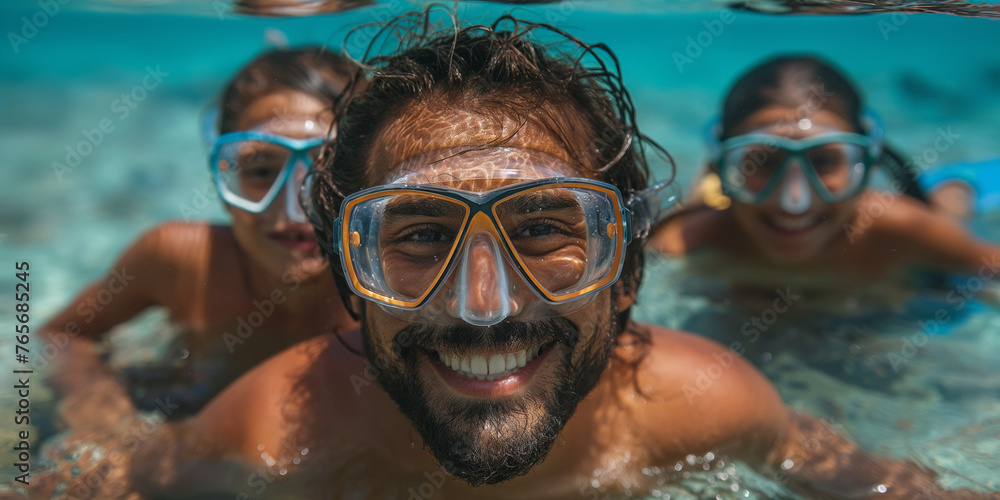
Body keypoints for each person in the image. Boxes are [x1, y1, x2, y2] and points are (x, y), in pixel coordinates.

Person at [35, 13, 996, 500]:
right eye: (419, 234)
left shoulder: (711, 402)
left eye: (544, 229)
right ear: (348, 277)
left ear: (629, 266)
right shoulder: (273, 430)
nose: (485, 304)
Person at [41, 47, 360, 427]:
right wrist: (100, 412)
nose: (296, 211)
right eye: (261, 171)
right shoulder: (181, 260)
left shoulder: (385, 291)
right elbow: (62, 334)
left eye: (327, 172)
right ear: (223, 184)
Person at [648, 55, 1000, 292]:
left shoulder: (902, 229)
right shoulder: (691, 239)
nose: (795, 201)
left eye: (823, 161)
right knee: (701, 201)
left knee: (949, 215)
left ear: (864, 166)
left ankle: (954, 188)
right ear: (722, 166)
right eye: (764, 161)